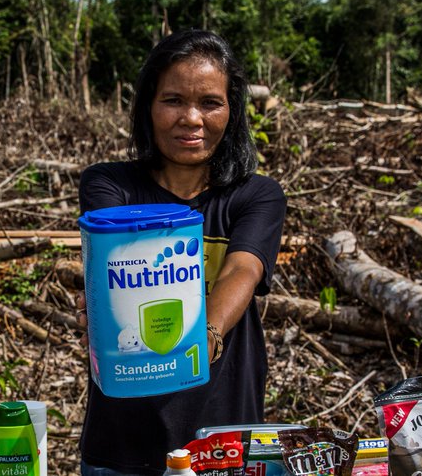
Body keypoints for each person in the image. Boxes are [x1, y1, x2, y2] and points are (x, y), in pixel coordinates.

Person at [76, 29, 286, 475]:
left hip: (223, 439)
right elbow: (113, 252)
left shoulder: (256, 196)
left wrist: (203, 334)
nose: (191, 118)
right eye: (173, 100)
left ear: (232, 112)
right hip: (123, 439)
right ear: (148, 107)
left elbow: (241, 271)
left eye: (210, 102)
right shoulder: (109, 184)